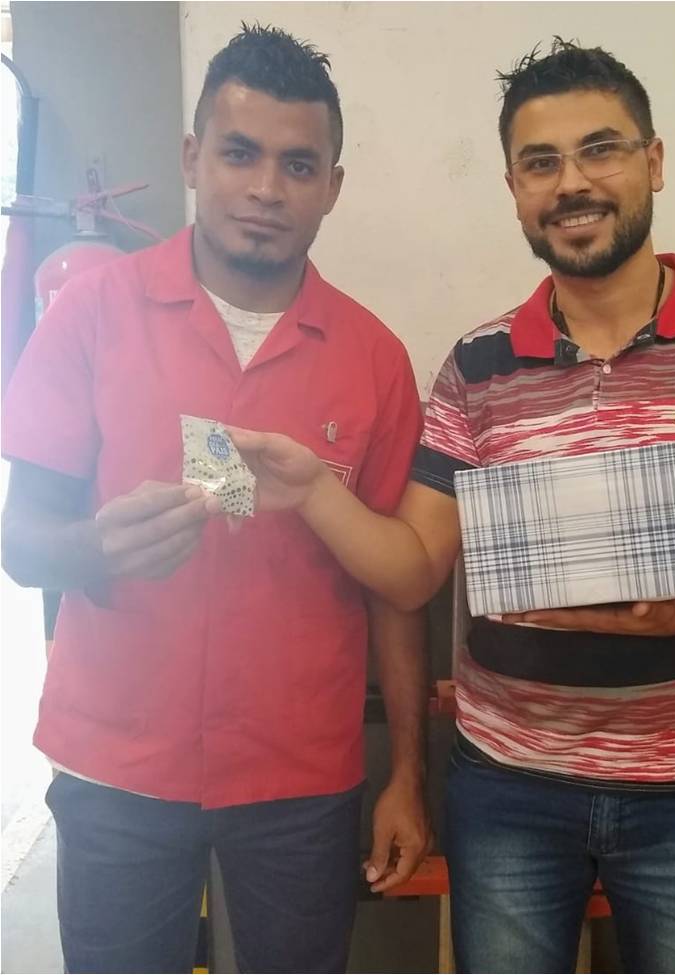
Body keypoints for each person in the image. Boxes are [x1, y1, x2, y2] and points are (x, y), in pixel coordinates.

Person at [228, 39, 675, 974]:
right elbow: (415, 566)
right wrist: (316, 489)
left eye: (600, 150)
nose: (572, 184)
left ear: (653, 161)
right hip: (508, 784)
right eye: (540, 163)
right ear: (515, 189)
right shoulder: (477, 366)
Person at [1, 24, 430, 974]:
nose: (266, 188)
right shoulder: (90, 314)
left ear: (332, 185)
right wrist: (95, 548)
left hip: (298, 776)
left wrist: (408, 771)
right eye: (239, 153)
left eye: (297, 164)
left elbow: (396, 588)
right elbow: (20, 539)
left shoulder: (373, 360)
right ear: (193, 158)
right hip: (118, 762)